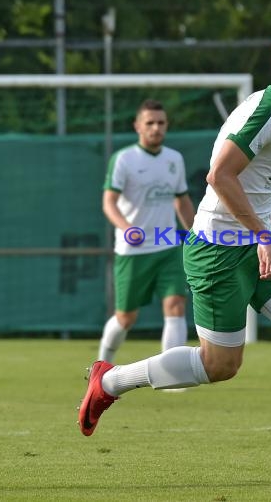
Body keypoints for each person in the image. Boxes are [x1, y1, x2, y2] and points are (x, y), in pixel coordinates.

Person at [78, 25, 271, 484]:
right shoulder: (268, 111)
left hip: (258, 239)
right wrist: (262, 236)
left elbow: (255, 190)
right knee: (220, 366)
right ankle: (109, 381)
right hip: (220, 251)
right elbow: (219, 177)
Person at [97, 99, 195, 364]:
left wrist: (197, 234)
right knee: (126, 317)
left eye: (161, 123)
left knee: (176, 305)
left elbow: (181, 200)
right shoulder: (124, 159)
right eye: (150, 123)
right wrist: (127, 228)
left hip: (167, 246)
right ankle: (102, 364)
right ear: (137, 126)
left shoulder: (174, 159)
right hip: (133, 252)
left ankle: (170, 374)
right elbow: (108, 201)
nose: (156, 128)